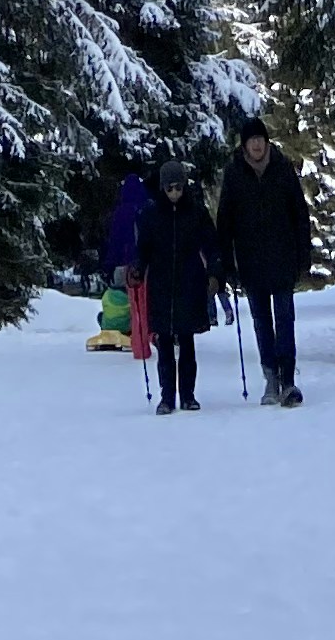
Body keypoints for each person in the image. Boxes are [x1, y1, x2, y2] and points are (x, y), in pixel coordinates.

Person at [216, 113, 314, 406]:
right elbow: (225, 222)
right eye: (252, 141)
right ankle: (270, 377)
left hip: (283, 258)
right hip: (250, 262)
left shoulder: (283, 169)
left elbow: (299, 214)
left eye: (260, 139)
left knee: (285, 320)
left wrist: (303, 255)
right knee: (261, 321)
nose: (257, 145)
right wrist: (226, 264)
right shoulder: (234, 175)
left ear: (267, 142)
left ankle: (287, 379)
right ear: (244, 145)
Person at [135, 155, 222, 415]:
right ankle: (166, 397)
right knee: (163, 343)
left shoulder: (196, 212)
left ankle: (188, 395)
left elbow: (211, 244)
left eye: (179, 188)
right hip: (161, 284)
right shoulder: (151, 214)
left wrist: (215, 273)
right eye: (170, 188)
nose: (174, 193)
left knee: (187, 341)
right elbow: (143, 250)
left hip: (189, 283)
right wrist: (138, 269)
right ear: (163, 188)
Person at [101, 162, 153, 365]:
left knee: (129, 299)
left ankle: (132, 332)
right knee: (146, 300)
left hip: (126, 265)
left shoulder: (121, 213)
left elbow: (115, 242)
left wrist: (109, 265)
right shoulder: (148, 208)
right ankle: (147, 333)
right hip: (147, 264)